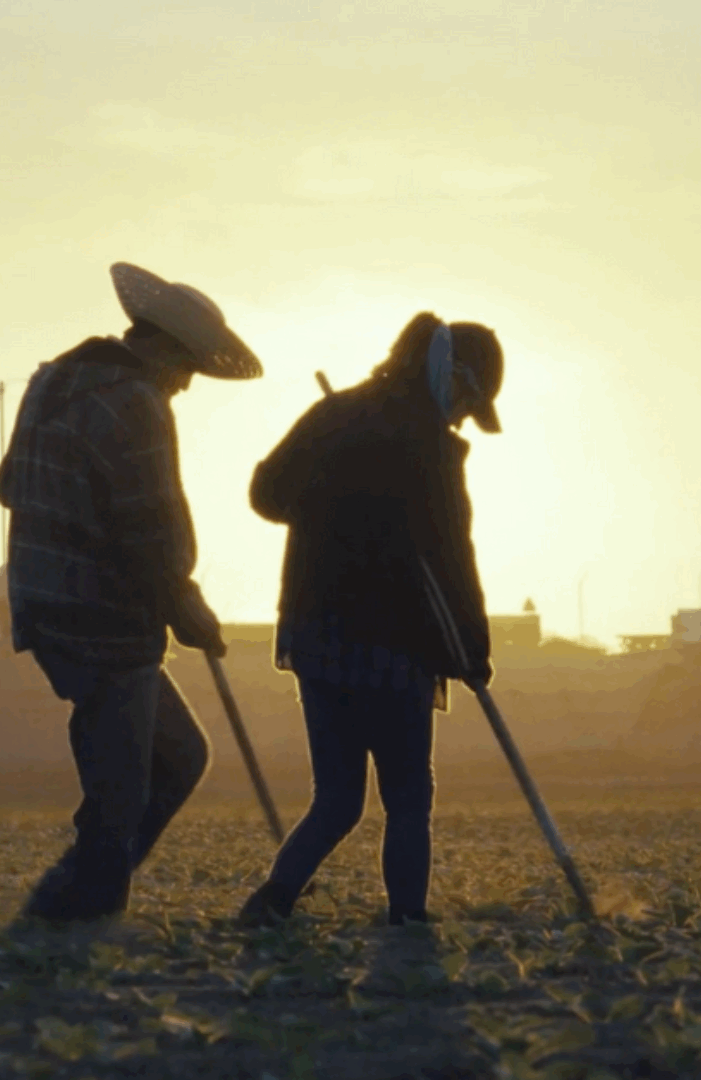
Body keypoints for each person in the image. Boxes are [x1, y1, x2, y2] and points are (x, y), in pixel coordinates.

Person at [0, 262, 262, 925]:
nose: (184, 386)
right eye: (189, 370)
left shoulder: (50, 380)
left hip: (41, 601)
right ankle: (78, 918)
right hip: (103, 615)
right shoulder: (137, 400)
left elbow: (7, 486)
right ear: (167, 351)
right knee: (123, 789)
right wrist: (190, 609)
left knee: (176, 756)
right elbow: (155, 525)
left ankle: (68, 899)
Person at [237, 311, 502, 928]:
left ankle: (271, 901)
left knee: (338, 800)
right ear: (448, 374)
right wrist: (471, 645)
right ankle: (407, 917)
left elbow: (267, 492)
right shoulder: (427, 445)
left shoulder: (339, 415)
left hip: (315, 637)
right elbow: (452, 557)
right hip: (392, 643)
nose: (462, 416)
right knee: (409, 794)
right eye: (466, 400)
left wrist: (328, 487)